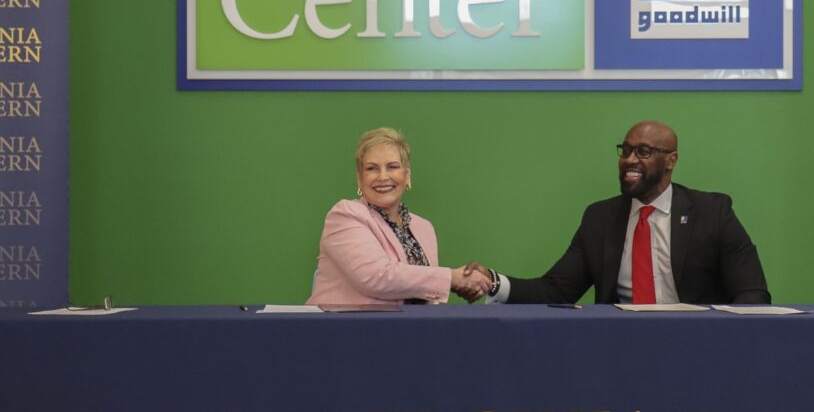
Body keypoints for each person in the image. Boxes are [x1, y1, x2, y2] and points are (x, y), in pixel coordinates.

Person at [466, 120, 770, 305]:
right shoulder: (600, 219)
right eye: (625, 151)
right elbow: (555, 291)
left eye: (644, 152)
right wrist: (493, 281)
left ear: (671, 160)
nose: (629, 160)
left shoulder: (712, 212)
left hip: (697, 348)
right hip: (620, 349)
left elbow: (752, 294)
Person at [307, 128, 491, 305]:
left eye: (392, 167)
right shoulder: (345, 215)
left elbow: (426, 290)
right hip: (345, 331)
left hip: (411, 331)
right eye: (372, 169)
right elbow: (375, 277)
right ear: (359, 179)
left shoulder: (424, 227)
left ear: (407, 175)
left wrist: (464, 282)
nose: (383, 176)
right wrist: (451, 278)